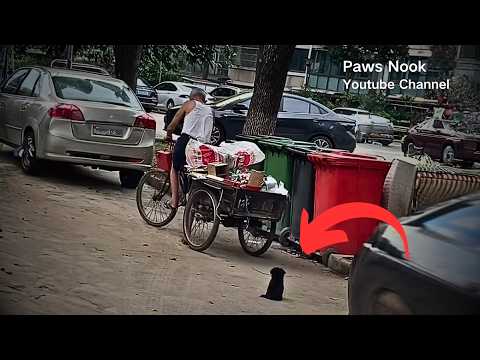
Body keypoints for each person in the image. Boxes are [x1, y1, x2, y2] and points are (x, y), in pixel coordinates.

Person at [165, 87, 213, 209]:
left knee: (174, 168)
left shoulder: (189, 104)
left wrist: (168, 136)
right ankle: (192, 199)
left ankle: (174, 201)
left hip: (187, 141)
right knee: (194, 172)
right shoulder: (209, 110)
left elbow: (172, 125)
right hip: (204, 147)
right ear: (203, 99)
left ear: (192, 97)